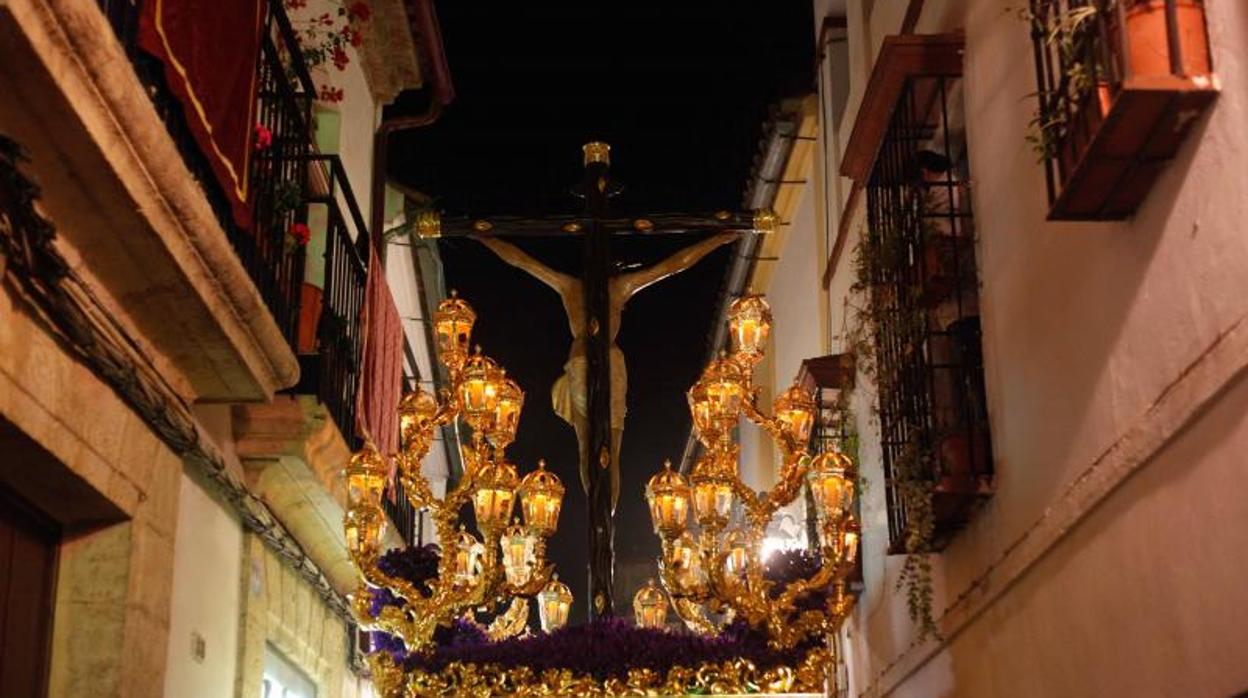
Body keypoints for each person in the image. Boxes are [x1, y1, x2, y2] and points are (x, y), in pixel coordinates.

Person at [478, 232, 736, 512]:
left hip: (593, 362)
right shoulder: (611, 287)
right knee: (604, 447)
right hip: (597, 363)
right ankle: (601, 513)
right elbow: (673, 265)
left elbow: (521, 260)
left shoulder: (578, 286)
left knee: (593, 445)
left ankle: (602, 513)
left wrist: (482, 236)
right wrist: (717, 240)